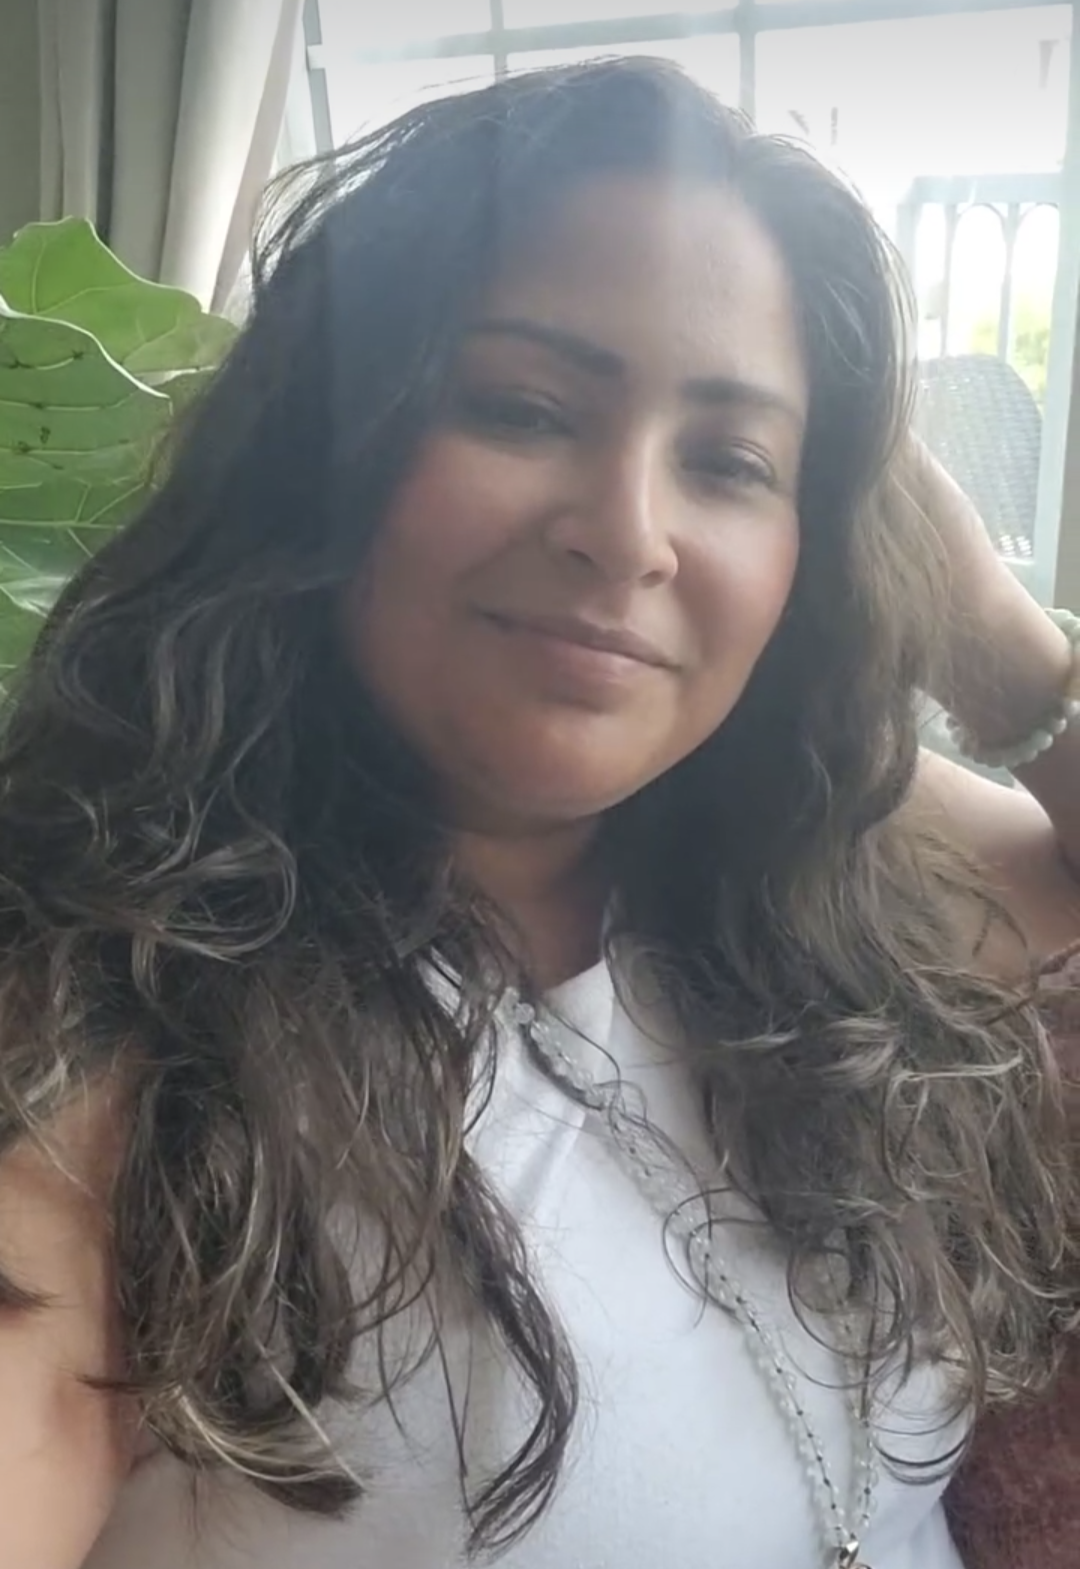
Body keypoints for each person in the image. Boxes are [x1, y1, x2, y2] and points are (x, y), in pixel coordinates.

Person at [0, 57, 1077, 1569]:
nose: (628, 534)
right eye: (522, 407)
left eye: (730, 462)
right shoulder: (102, 1019)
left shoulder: (824, 870)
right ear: (327, 448)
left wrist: (982, 626)